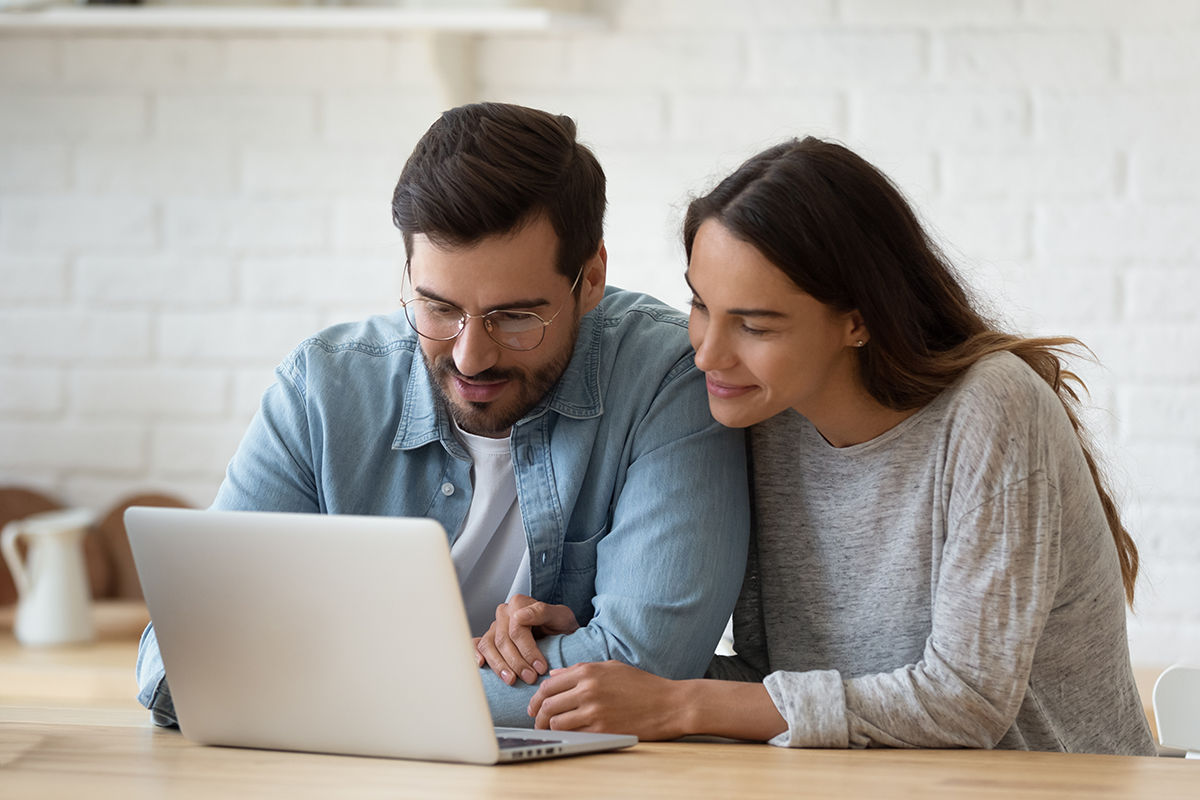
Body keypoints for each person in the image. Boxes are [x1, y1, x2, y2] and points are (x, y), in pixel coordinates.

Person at [493, 137, 1156, 755]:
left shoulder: (991, 408)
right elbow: (773, 683)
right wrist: (602, 659)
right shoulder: (764, 419)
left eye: (753, 325)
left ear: (857, 319)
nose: (707, 353)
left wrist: (681, 704)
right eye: (700, 306)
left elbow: (968, 701)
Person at [134, 102, 750, 728]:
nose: (471, 356)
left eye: (514, 317)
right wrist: (458, 670)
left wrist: (316, 681)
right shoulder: (322, 389)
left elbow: (648, 667)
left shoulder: (668, 379)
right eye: (437, 307)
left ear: (589, 279)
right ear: (407, 273)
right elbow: (177, 662)